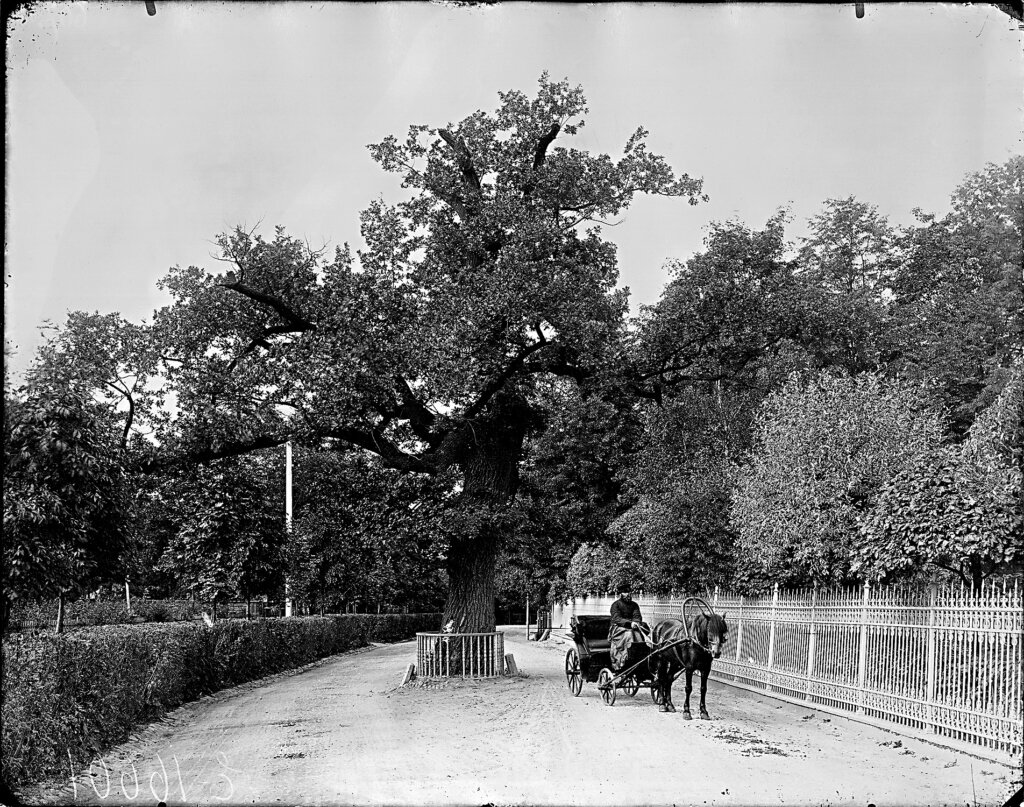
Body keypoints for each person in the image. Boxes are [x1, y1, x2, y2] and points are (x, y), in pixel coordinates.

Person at [608, 583, 646, 670]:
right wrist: (630, 623)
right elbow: (616, 618)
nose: (628, 594)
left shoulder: (634, 605)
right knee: (629, 634)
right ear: (620, 594)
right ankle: (625, 657)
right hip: (617, 628)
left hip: (632, 628)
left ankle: (641, 658)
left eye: (629, 592)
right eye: (625, 592)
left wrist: (636, 623)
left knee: (639, 634)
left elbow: (637, 616)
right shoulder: (615, 605)